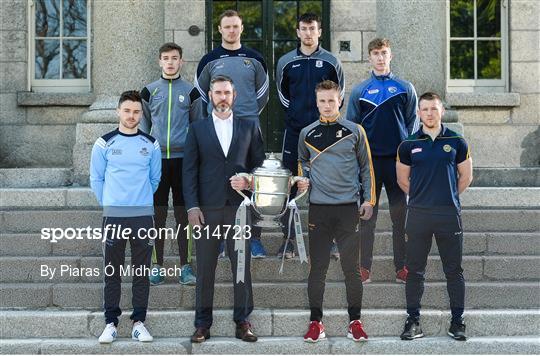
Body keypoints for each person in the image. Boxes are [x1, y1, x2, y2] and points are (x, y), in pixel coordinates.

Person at [183, 75, 266, 343]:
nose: (222, 97)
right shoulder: (197, 129)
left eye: (227, 93)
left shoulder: (249, 127)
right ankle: (202, 324)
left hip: (239, 209)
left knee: (241, 266)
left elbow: (260, 167)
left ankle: (243, 321)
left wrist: (250, 180)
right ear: (210, 95)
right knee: (205, 268)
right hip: (206, 210)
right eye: (217, 92)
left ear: (234, 96)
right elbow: (189, 172)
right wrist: (192, 206)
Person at [297, 80, 375, 343]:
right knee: (317, 269)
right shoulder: (306, 132)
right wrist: (303, 179)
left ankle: (355, 321)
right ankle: (315, 322)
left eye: (332, 100)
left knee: (351, 269)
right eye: (322, 101)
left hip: (347, 210)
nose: (327, 105)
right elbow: (302, 162)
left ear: (339, 100)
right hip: (318, 210)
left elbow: (366, 168)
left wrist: (369, 200)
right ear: (316, 102)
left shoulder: (355, 131)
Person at [396, 92, 473, 341]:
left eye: (434, 109)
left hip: (448, 214)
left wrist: (446, 196)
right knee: (415, 270)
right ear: (418, 113)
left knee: (454, 270)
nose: (429, 113)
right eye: (425, 109)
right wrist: (422, 198)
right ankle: (413, 321)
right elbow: (402, 180)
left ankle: (457, 321)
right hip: (418, 214)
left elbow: (466, 177)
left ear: (442, 111)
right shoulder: (407, 144)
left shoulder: (457, 141)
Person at [195, 9, 269, 258]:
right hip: (218, 130)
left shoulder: (254, 58)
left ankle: (254, 238)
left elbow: (263, 94)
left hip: (248, 129)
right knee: (217, 181)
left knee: (254, 181)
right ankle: (218, 240)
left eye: (235, 26)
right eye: (227, 27)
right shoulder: (209, 60)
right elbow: (204, 94)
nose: (231, 30)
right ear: (219, 30)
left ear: (241, 28)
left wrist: (244, 117)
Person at [90, 91, 162, 344]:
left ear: (141, 114)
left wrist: (137, 200)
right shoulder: (103, 143)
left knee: (142, 271)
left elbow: (154, 180)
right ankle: (110, 322)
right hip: (114, 216)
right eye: (127, 111)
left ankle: (139, 322)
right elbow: (96, 179)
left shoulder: (151, 144)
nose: (132, 116)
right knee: (113, 271)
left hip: (143, 216)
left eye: (136, 112)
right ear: (118, 112)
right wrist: (111, 204)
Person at [346, 37, 419, 284]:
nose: (380, 57)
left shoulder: (405, 88)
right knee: (367, 217)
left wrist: (406, 153)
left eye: (384, 53)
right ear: (369, 57)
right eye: (375, 53)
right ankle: (364, 267)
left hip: (398, 163)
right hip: (371, 164)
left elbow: (412, 124)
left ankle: (403, 267)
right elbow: (353, 129)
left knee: (401, 217)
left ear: (391, 56)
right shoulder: (360, 91)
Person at [275, 12, 344, 259]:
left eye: (312, 28)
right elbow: (282, 95)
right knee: (290, 184)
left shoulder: (331, 61)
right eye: (303, 29)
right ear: (298, 32)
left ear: (319, 32)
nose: (307, 33)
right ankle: (289, 240)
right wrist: (295, 114)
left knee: (327, 185)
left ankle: (331, 241)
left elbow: (339, 96)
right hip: (294, 132)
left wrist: (322, 121)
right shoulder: (285, 61)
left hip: (323, 132)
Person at [140, 42, 202, 286]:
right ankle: (156, 265)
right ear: (159, 61)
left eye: (174, 58)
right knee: (156, 214)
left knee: (182, 215)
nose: (169, 62)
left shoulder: (191, 92)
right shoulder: (148, 91)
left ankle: (185, 267)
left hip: (182, 162)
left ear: (181, 61)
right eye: (165, 58)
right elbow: (143, 126)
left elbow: (197, 126)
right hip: (157, 162)